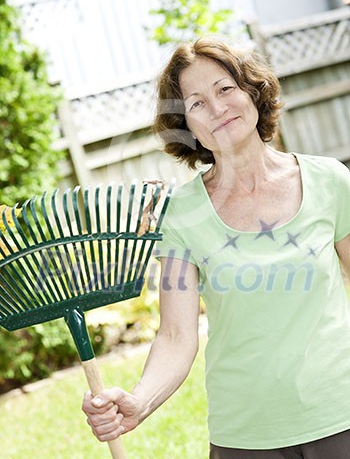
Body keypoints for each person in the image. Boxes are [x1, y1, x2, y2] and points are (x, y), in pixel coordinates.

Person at [82, 38, 350, 458]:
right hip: (246, 435)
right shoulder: (179, 215)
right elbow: (176, 334)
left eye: (225, 89)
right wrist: (140, 401)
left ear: (252, 92)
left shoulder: (329, 181)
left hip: (341, 414)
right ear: (187, 125)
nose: (218, 108)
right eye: (196, 103)